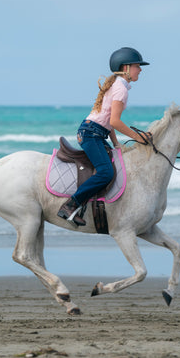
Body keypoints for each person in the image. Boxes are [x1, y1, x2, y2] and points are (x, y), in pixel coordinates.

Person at [57, 47, 153, 226]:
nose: (140, 69)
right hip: (91, 134)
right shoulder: (120, 90)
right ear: (125, 68)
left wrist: (116, 144)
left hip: (95, 133)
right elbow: (115, 121)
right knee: (106, 172)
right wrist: (138, 137)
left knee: (114, 162)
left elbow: (108, 121)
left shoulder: (118, 85)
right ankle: (70, 205)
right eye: (137, 66)